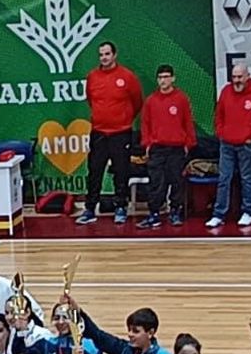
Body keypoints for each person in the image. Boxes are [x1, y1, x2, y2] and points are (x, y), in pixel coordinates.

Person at [78, 41, 143, 226]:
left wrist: (123, 119)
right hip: (98, 132)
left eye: (107, 54)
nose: (104, 58)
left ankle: (121, 207)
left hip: (121, 133)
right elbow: (91, 100)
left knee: (121, 172)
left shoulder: (127, 76)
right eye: (101, 55)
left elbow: (137, 101)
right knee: (95, 172)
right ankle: (90, 209)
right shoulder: (92, 77)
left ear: (114, 55)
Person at [209, 63, 251, 229]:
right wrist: (221, 133)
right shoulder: (226, 92)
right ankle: (218, 214)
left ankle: (248, 212)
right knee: (224, 179)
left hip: (246, 145)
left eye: (240, 77)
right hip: (226, 144)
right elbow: (219, 116)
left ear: (247, 76)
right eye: (234, 77)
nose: (236, 80)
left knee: (247, 179)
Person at [139, 64, 195, 229]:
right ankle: (154, 213)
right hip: (157, 148)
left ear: (173, 78)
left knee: (176, 181)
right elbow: (145, 125)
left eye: (166, 77)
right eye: (160, 78)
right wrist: (147, 144)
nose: (163, 81)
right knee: (156, 182)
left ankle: (175, 212)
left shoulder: (181, 99)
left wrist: (188, 144)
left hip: (176, 148)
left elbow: (187, 123)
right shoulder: (151, 101)